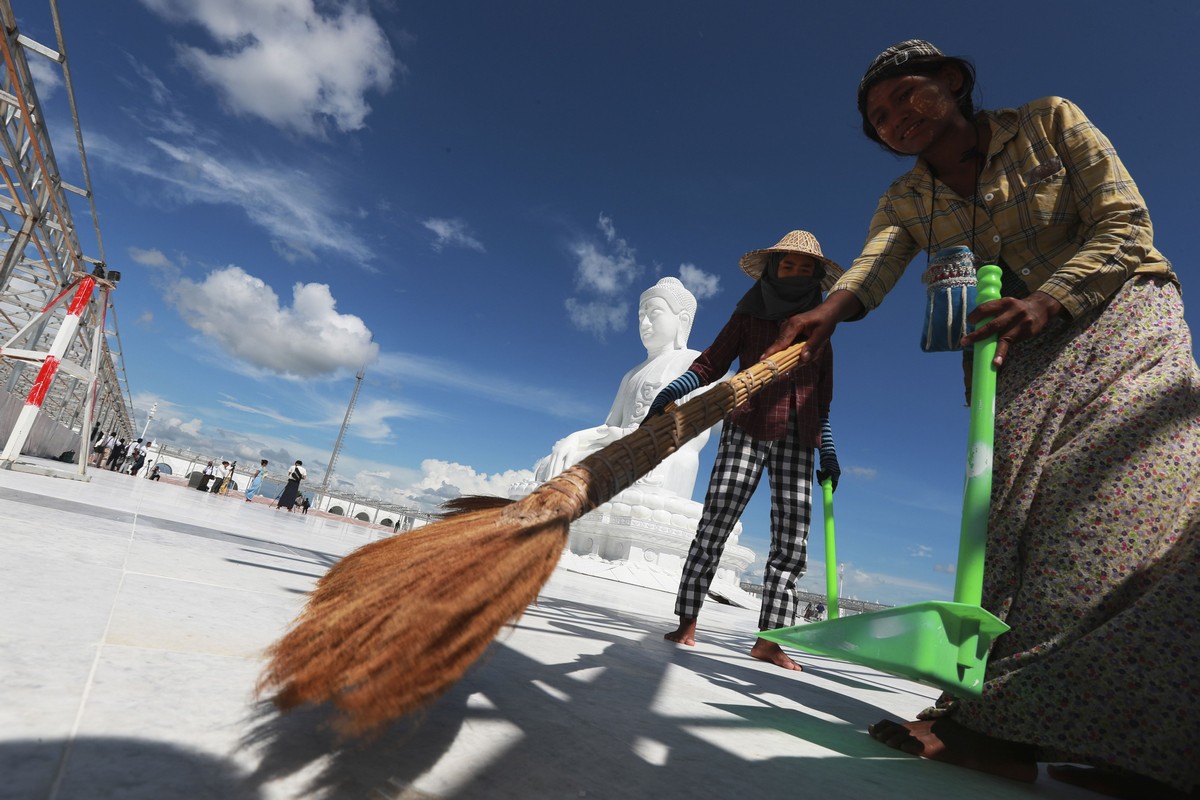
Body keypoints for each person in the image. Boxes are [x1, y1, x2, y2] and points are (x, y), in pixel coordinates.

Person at [764, 40, 1199, 797]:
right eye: (877, 117)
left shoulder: (1049, 123)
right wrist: (827, 312)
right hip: (1009, 350)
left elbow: (1126, 225)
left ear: (954, 83)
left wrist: (1047, 299)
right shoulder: (907, 200)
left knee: (1126, 507)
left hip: (1118, 317)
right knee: (1006, 524)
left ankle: (1133, 741)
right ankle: (1000, 716)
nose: (894, 119)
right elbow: (877, 262)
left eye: (904, 96)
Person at [650, 230, 843, 672]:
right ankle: (687, 620)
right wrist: (671, 392)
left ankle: (770, 639)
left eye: (804, 267)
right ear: (773, 268)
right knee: (715, 524)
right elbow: (711, 363)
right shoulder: (748, 315)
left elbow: (823, 400)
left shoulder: (821, 329)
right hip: (746, 427)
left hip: (799, 441)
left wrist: (827, 452)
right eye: (787, 264)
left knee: (792, 542)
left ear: (815, 276)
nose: (794, 272)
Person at [533, 277, 710, 498]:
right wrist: (576, 438)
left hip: (659, 455)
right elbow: (609, 426)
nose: (645, 324)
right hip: (619, 447)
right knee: (550, 464)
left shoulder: (694, 363)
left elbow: (695, 434)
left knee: (615, 468)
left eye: (654, 314)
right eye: (641, 317)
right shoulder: (631, 375)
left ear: (682, 321)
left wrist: (634, 436)